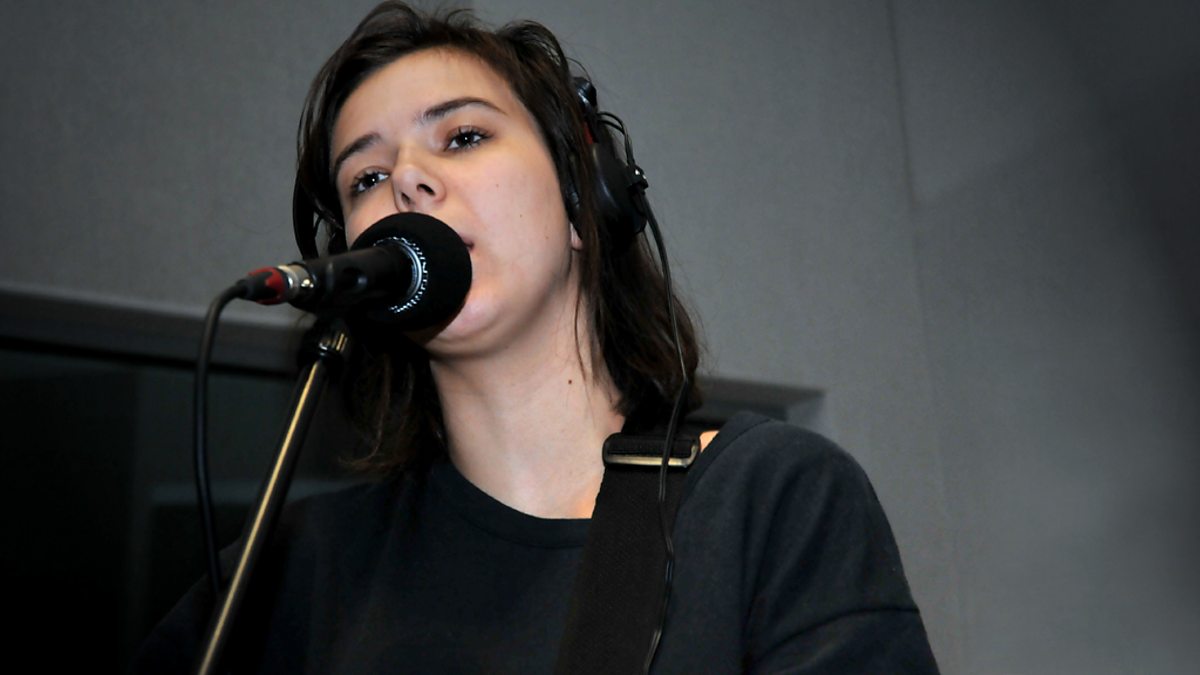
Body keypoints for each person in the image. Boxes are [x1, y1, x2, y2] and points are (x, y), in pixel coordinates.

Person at [134, 2, 939, 672]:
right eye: (366, 177)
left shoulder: (767, 497)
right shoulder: (299, 567)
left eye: (463, 136)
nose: (406, 179)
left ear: (584, 201)